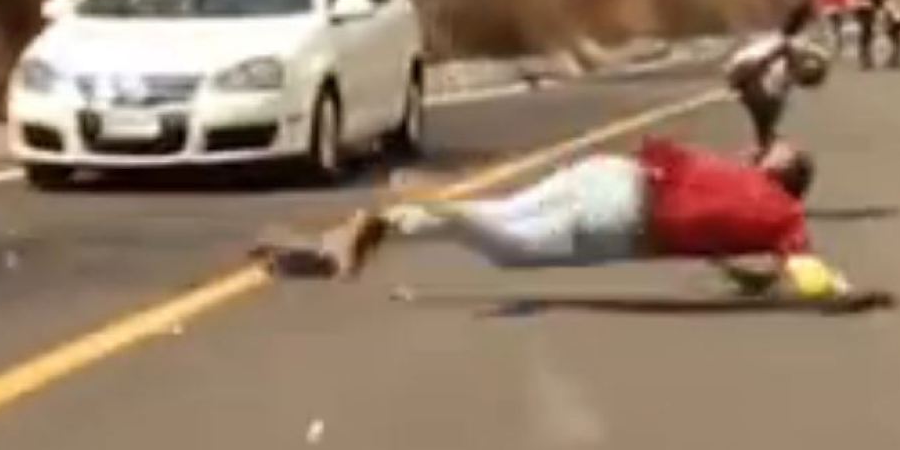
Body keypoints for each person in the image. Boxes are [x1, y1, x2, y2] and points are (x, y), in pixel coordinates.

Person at [255, 137, 860, 301]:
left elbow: (712, 220)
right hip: (623, 218)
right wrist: (841, 287)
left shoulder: (735, 173)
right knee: (507, 247)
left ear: (771, 166)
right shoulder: (784, 216)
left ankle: (362, 235)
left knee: (504, 211)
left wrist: (739, 266)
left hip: (611, 171)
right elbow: (808, 277)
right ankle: (428, 206)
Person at [723, 4, 830, 155]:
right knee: (766, 104)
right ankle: (763, 141)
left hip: (749, 71)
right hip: (746, 70)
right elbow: (789, 33)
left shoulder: (792, 52)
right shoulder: (785, 49)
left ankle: (764, 139)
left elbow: (781, 93)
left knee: (773, 103)